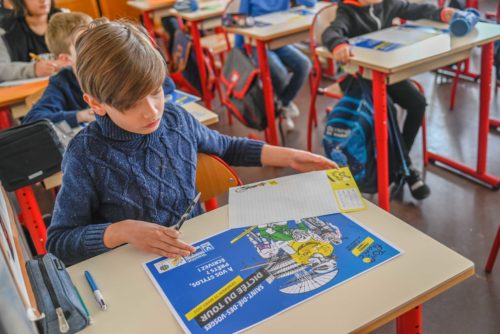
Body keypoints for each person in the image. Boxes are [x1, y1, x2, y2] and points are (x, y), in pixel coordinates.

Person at [46, 20, 338, 266]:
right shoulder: (85, 154)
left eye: (156, 91)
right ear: (96, 104)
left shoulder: (174, 119)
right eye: (130, 104)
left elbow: (226, 146)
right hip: (134, 268)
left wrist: (288, 158)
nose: (151, 110)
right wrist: (121, 231)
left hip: (196, 250)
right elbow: (59, 242)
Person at [322, 0, 456, 200]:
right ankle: (407, 170)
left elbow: (414, 9)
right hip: (359, 77)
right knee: (388, 111)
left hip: (385, 74)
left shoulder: (387, 4)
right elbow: (331, 32)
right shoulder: (347, 10)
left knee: (417, 103)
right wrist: (339, 44)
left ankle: (398, 167)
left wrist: (441, 13)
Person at [237, 0, 315, 130]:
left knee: (305, 65)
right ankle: (284, 105)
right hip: (257, 44)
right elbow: (241, 20)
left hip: (279, 42)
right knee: (279, 72)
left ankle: (282, 104)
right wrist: (239, 51)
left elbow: (310, 3)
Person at [22, 12, 94, 127]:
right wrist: (82, 116)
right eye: (83, 44)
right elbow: (32, 120)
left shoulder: (114, 69)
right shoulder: (62, 82)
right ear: (66, 59)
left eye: (96, 38)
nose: (95, 47)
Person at [0, 0, 61, 82]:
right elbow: (2, 69)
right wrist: (33, 69)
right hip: (25, 91)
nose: (43, 1)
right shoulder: (5, 29)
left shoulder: (66, 20)